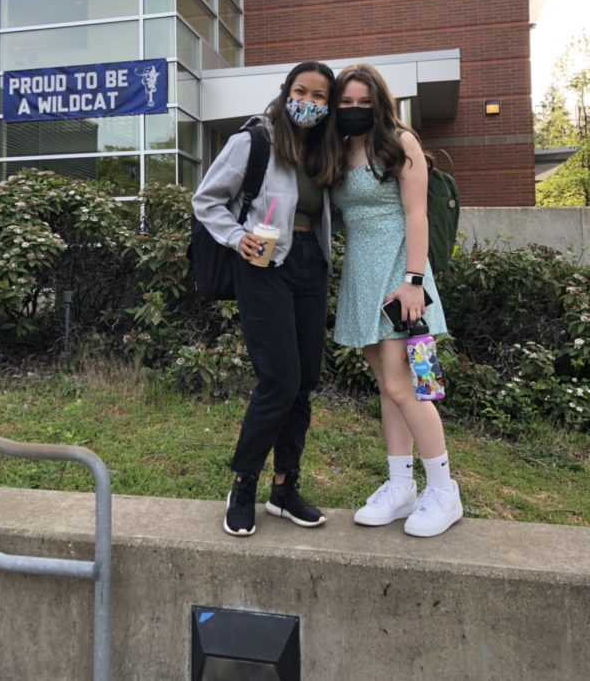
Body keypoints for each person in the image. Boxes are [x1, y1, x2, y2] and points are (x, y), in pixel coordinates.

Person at [192, 61, 342, 536]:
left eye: (320, 96)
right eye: (302, 91)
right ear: (285, 91)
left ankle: (284, 488)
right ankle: (244, 484)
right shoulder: (254, 140)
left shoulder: (325, 150)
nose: (310, 102)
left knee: (305, 380)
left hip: (309, 266)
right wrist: (237, 237)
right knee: (279, 379)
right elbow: (206, 200)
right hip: (262, 267)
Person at [332, 63, 463, 537]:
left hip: (398, 278)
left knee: (405, 386)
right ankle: (400, 486)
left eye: (363, 101)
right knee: (389, 388)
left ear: (380, 102)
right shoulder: (340, 149)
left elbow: (417, 215)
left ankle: (445, 492)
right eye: (345, 102)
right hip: (361, 280)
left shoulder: (400, 143)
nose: (354, 109)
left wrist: (413, 281)